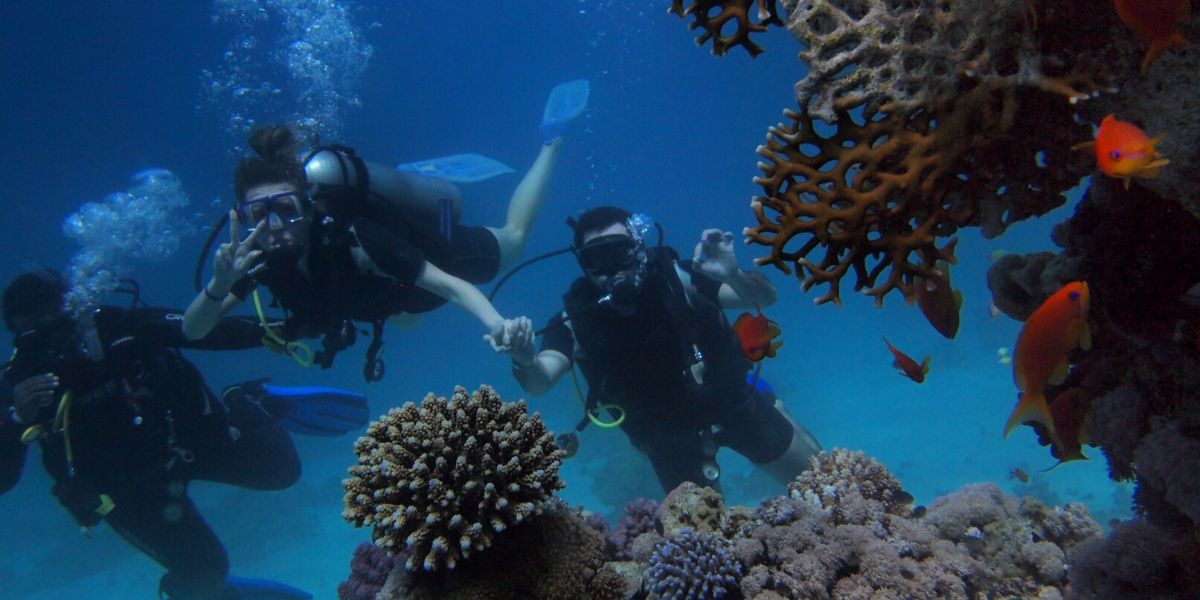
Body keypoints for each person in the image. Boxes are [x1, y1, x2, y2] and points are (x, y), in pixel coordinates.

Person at [183, 112, 570, 380]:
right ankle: (413, 183)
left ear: (308, 205)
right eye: (258, 214)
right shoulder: (251, 262)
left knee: (515, 236)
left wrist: (498, 325)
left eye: (286, 208)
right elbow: (194, 330)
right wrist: (219, 285)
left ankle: (550, 142)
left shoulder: (357, 236)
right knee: (407, 320)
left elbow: (451, 286)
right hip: (393, 297)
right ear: (243, 217)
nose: (273, 226)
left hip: (439, 254)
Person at [0, 271, 314, 600]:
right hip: (130, 493)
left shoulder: (119, 329)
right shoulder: (17, 384)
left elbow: (199, 329)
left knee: (282, 470)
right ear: (18, 335)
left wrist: (287, 330)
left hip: (191, 444)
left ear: (76, 308)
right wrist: (17, 417)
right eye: (35, 331)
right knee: (205, 571)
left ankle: (244, 399)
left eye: (58, 320)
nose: (53, 338)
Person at [497, 206, 822, 494]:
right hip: (668, 441)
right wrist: (524, 359)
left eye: (620, 252)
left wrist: (734, 275)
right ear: (583, 265)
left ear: (640, 250)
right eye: (598, 259)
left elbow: (763, 299)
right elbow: (540, 380)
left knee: (826, 486)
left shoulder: (679, 279)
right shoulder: (574, 320)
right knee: (704, 548)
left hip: (736, 405)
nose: (612, 269)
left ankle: (769, 400)